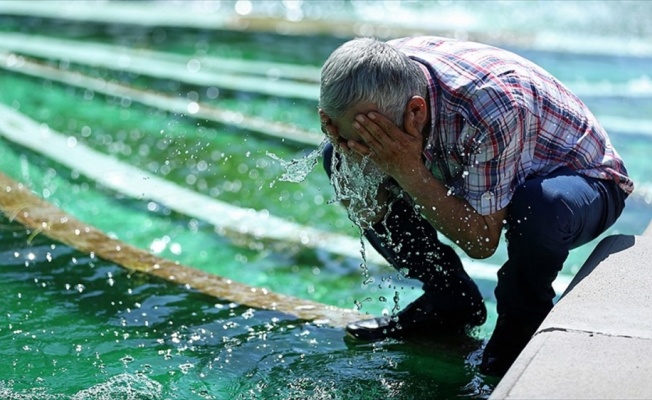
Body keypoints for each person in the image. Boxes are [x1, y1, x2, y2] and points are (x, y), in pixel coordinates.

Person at [318, 36, 633, 376]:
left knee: (539, 205)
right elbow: (371, 211)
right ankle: (450, 301)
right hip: (483, 156)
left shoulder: (492, 105)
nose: (360, 148)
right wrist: (351, 157)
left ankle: (520, 328)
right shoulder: (358, 83)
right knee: (333, 158)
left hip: (584, 182)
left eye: (372, 140)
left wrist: (407, 170)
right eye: (348, 136)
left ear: (415, 111)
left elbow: (481, 242)